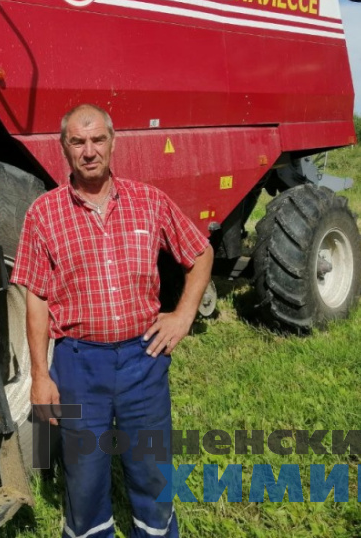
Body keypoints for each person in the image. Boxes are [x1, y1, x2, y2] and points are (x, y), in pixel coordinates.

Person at [11, 104, 213, 538]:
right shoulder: (43, 214)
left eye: (97, 139)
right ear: (63, 148)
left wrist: (183, 315)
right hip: (79, 365)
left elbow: (200, 252)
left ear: (112, 142)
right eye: (77, 141)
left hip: (144, 360)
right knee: (83, 477)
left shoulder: (149, 201)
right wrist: (40, 377)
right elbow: (37, 298)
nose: (89, 151)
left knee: (153, 471)